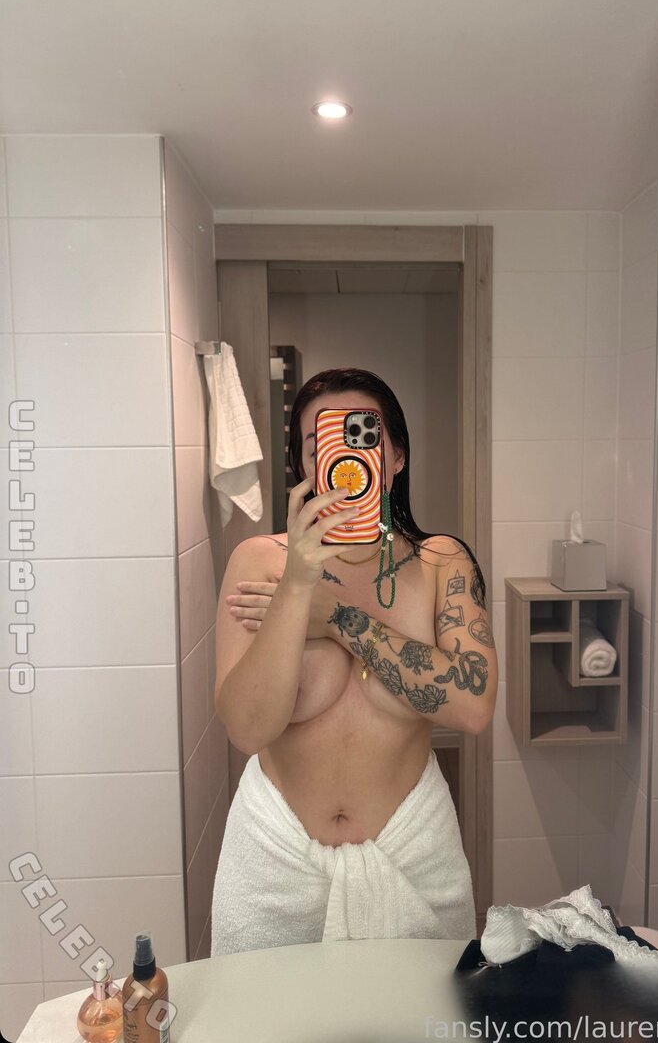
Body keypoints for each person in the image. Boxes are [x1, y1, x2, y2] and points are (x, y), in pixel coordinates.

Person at [210, 367, 498, 955]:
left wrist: (339, 619)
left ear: (397, 456)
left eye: (363, 435)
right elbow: (247, 728)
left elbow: (472, 707)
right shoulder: (260, 563)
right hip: (274, 863)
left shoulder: (440, 564)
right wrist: (297, 585)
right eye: (317, 443)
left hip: (413, 855)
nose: (342, 457)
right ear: (301, 466)